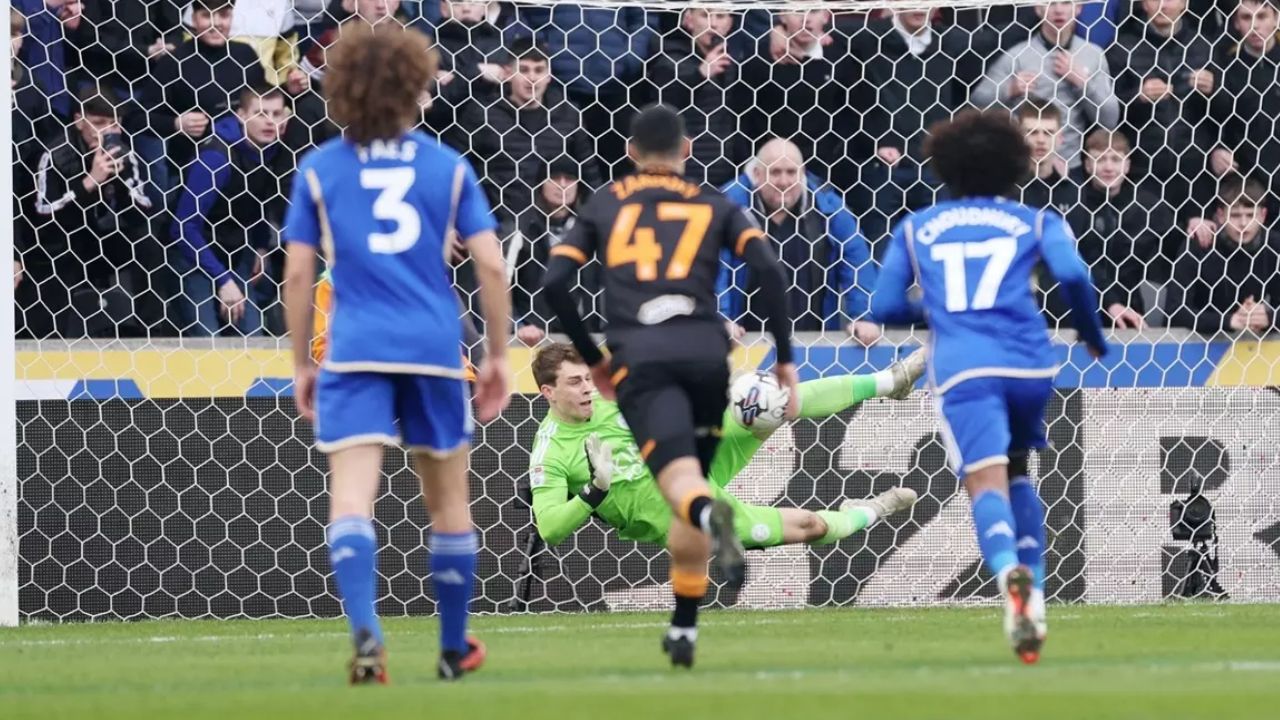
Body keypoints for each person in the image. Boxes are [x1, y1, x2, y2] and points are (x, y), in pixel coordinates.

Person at [282, 22, 511, 684]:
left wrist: (301, 363)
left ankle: (366, 636)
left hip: (354, 349)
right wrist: (496, 355)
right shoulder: (448, 166)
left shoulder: (320, 169)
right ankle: (450, 648)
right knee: (449, 503)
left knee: (352, 500)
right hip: (434, 349)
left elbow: (297, 276)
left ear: (341, 88)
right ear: (417, 85)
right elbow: (491, 268)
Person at [540, 104, 798, 668]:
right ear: (686, 151)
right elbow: (772, 273)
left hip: (643, 360)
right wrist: (785, 361)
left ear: (630, 152)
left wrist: (593, 357)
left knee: (683, 489)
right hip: (707, 356)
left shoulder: (606, 202)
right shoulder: (715, 203)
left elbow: (555, 282)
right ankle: (684, 629)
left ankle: (712, 519)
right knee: (690, 485)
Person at [870, 109, 1108, 663]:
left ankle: (1010, 580)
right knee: (1021, 470)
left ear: (945, 168)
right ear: (1017, 165)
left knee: (985, 482)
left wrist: (942, 313)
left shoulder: (916, 227)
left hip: (965, 367)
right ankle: (1037, 598)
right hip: (1029, 365)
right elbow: (1073, 276)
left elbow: (880, 306)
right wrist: (1092, 336)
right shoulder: (1037, 220)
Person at [528, 342, 923, 550]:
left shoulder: (610, 396)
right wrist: (594, 491)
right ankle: (868, 511)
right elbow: (549, 529)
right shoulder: (551, 452)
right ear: (548, 392)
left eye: (587, 378)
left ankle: (891, 381)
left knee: (766, 402)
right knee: (811, 525)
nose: (588, 389)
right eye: (575, 383)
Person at [26, 86, 163, 338]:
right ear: (79, 121)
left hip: (98, 240)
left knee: (147, 245)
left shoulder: (124, 153)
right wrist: (90, 182)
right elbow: (44, 220)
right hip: (58, 248)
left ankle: (153, 333)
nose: (107, 132)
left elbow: (141, 214)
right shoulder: (53, 154)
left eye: (114, 124)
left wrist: (120, 181)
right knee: (58, 260)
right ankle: (51, 344)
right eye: (99, 123)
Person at [718, 138, 882, 344]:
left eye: (791, 172)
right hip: (744, 342)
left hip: (811, 344)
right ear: (757, 175)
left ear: (803, 172)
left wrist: (863, 316)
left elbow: (857, 259)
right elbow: (711, 263)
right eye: (775, 172)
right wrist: (720, 318)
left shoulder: (827, 207)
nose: (784, 182)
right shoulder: (727, 206)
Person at [171, 84, 294, 336]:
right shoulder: (216, 157)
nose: (270, 121)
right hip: (193, 257)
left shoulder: (273, 151)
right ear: (241, 115)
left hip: (235, 254)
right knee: (209, 343)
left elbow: (258, 202)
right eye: (261, 113)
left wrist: (261, 246)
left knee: (255, 340)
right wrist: (223, 280)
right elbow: (183, 228)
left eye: (276, 113)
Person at [971, 1, 1119, 169]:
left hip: (1070, 167)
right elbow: (976, 104)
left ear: (1078, 9)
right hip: (1024, 167)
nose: (1058, 10)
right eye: (1050, 3)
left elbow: (1110, 120)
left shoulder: (1093, 55)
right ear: (1038, 9)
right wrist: (1009, 89)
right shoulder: (1017, 56)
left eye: (1066, 3)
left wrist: (1082, 82)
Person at [1063, 130, 1173, 329]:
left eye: (1115, 159)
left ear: (1127, 165)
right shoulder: (1072, 203)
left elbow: (1171, 255)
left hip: (1129, 313)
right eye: (1100, 159)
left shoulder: (1148, 207)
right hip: (1075, 310)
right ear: (1087, 165)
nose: (1108, 167)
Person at [1165, 174, 1279, 336]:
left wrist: (1268, 317)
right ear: (1220, 216)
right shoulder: (1200, 244)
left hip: (1254, 349)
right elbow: (1174, 311)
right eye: (1235, 215)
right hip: (1199, 344)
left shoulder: (1274, 246)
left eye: (1250, 215)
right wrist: (1230, 321)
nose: (1243, 224)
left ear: (1262, 215)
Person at [649, 8, 745, 188]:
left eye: (720, 15)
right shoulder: (670, 61)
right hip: (685, 174)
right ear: (689, 20)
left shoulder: (732, 63)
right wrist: (700, 74)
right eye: (705, 15)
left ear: (730, 24)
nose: (713, 23)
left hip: (727, 173)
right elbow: (662, 108)